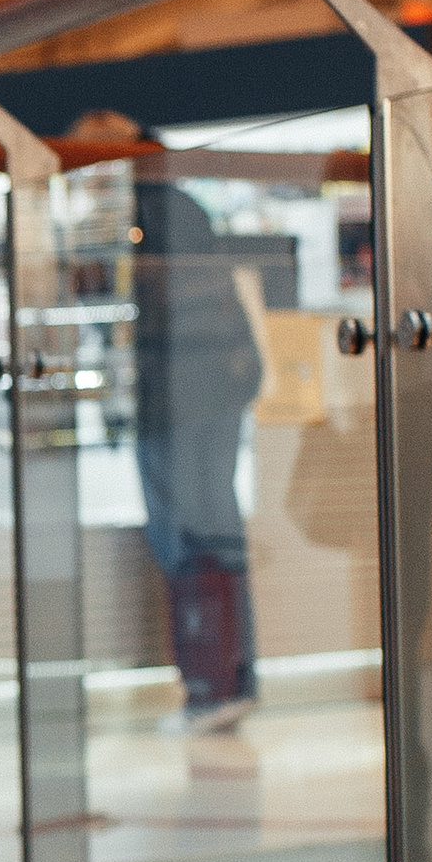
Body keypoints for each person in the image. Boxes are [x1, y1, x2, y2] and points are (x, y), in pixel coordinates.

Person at [130, 166, 267, 732]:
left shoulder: (142, 213)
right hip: (214, 395)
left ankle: (212, 686)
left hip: (176, 399)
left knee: (189, 536)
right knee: (215, 529)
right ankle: (228, 681)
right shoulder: (184, 206)